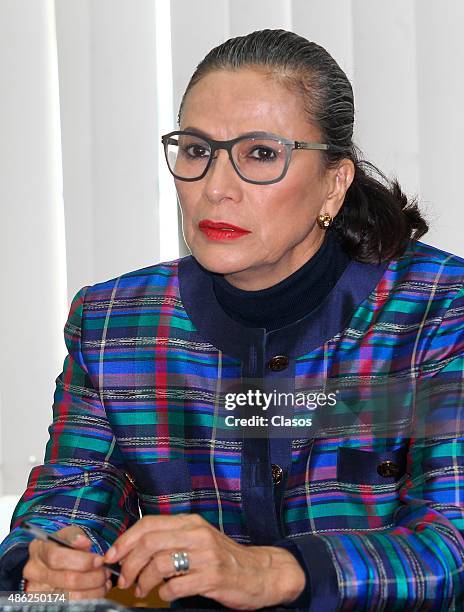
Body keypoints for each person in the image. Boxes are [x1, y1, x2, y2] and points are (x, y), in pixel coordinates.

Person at [1, 27, 464, 610]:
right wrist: (42, 566)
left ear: (334, 184)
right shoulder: (115, 323)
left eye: (261, 154)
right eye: (197, 151)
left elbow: (451, 546)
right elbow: (68, 508)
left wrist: (272, 572)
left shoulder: (438, 311)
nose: (216, 188)